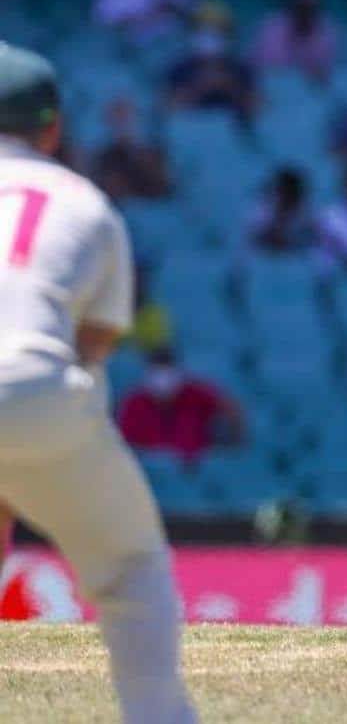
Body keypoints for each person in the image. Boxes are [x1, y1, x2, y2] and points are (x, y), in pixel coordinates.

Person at [0, 43, 197, 722]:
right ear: (52, 129)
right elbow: (93, 348)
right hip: (36, 385)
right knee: (129, 572)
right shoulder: (83, 202)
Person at [117, 347, 246, 467]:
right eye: (157, 371)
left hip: (195, 472)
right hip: (151, 474)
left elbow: (232, 410)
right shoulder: (134, 403)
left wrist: (232, 440)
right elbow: (122, 443)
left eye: (168, 370)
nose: (163, 378)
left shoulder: (197, 393)